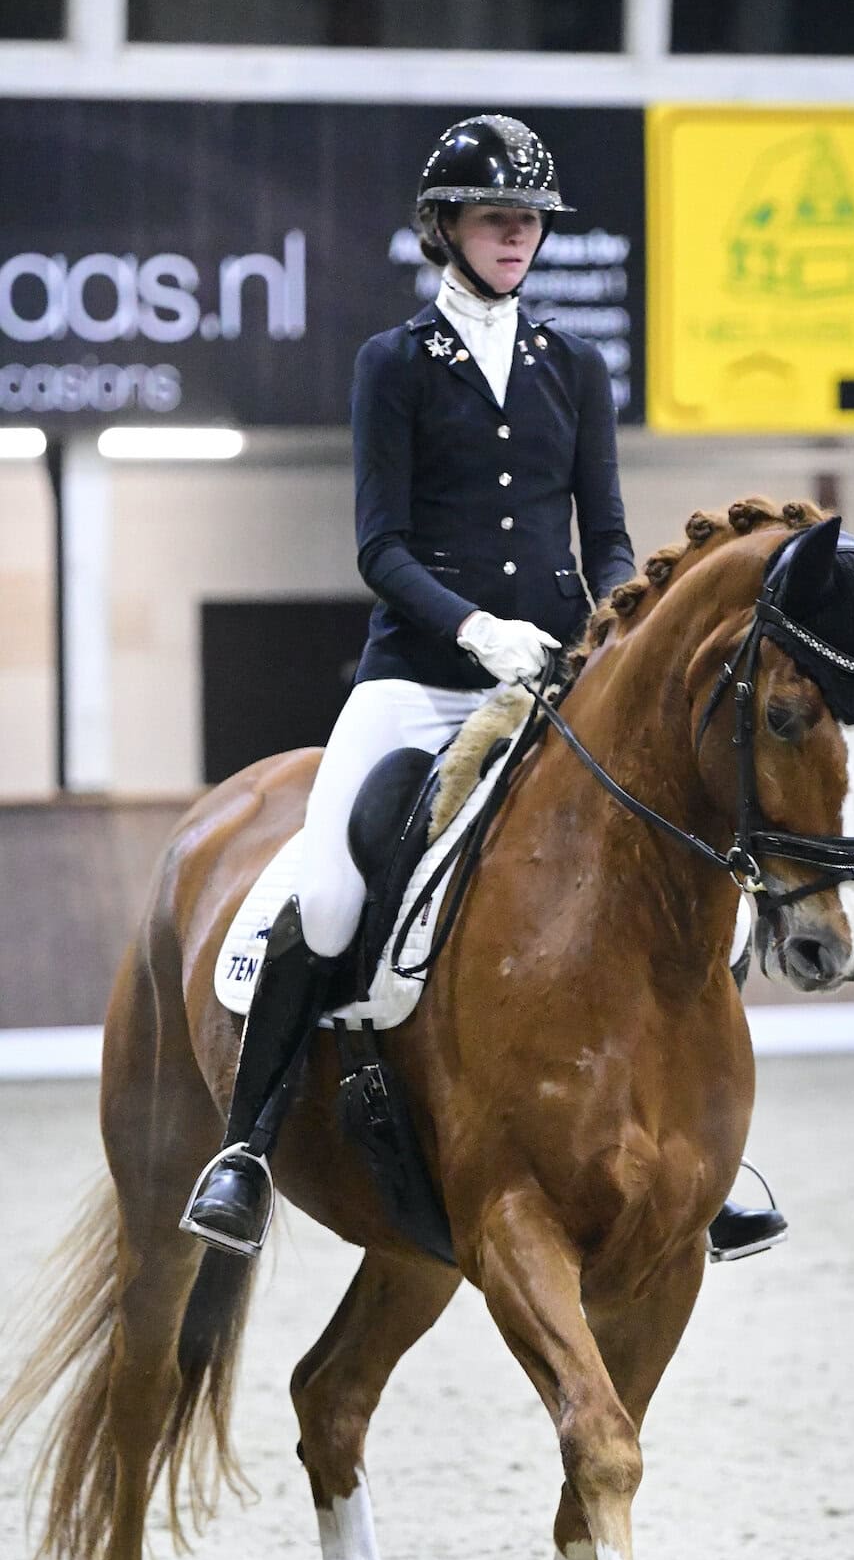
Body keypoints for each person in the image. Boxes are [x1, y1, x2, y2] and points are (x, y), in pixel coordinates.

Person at [181, 113, 786, 1266]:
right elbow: (380, 546)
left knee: (689, 876)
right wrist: (471, 629)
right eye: (496, 218)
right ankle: (248, 1150)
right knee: (333, 890)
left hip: (553, 681)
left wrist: (617, 632)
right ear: (445, 228)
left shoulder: (573, 363)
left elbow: (605, 535)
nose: (517, 236)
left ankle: (709, 1150)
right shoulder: (395, 364)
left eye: (530, 221)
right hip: (417, 679)